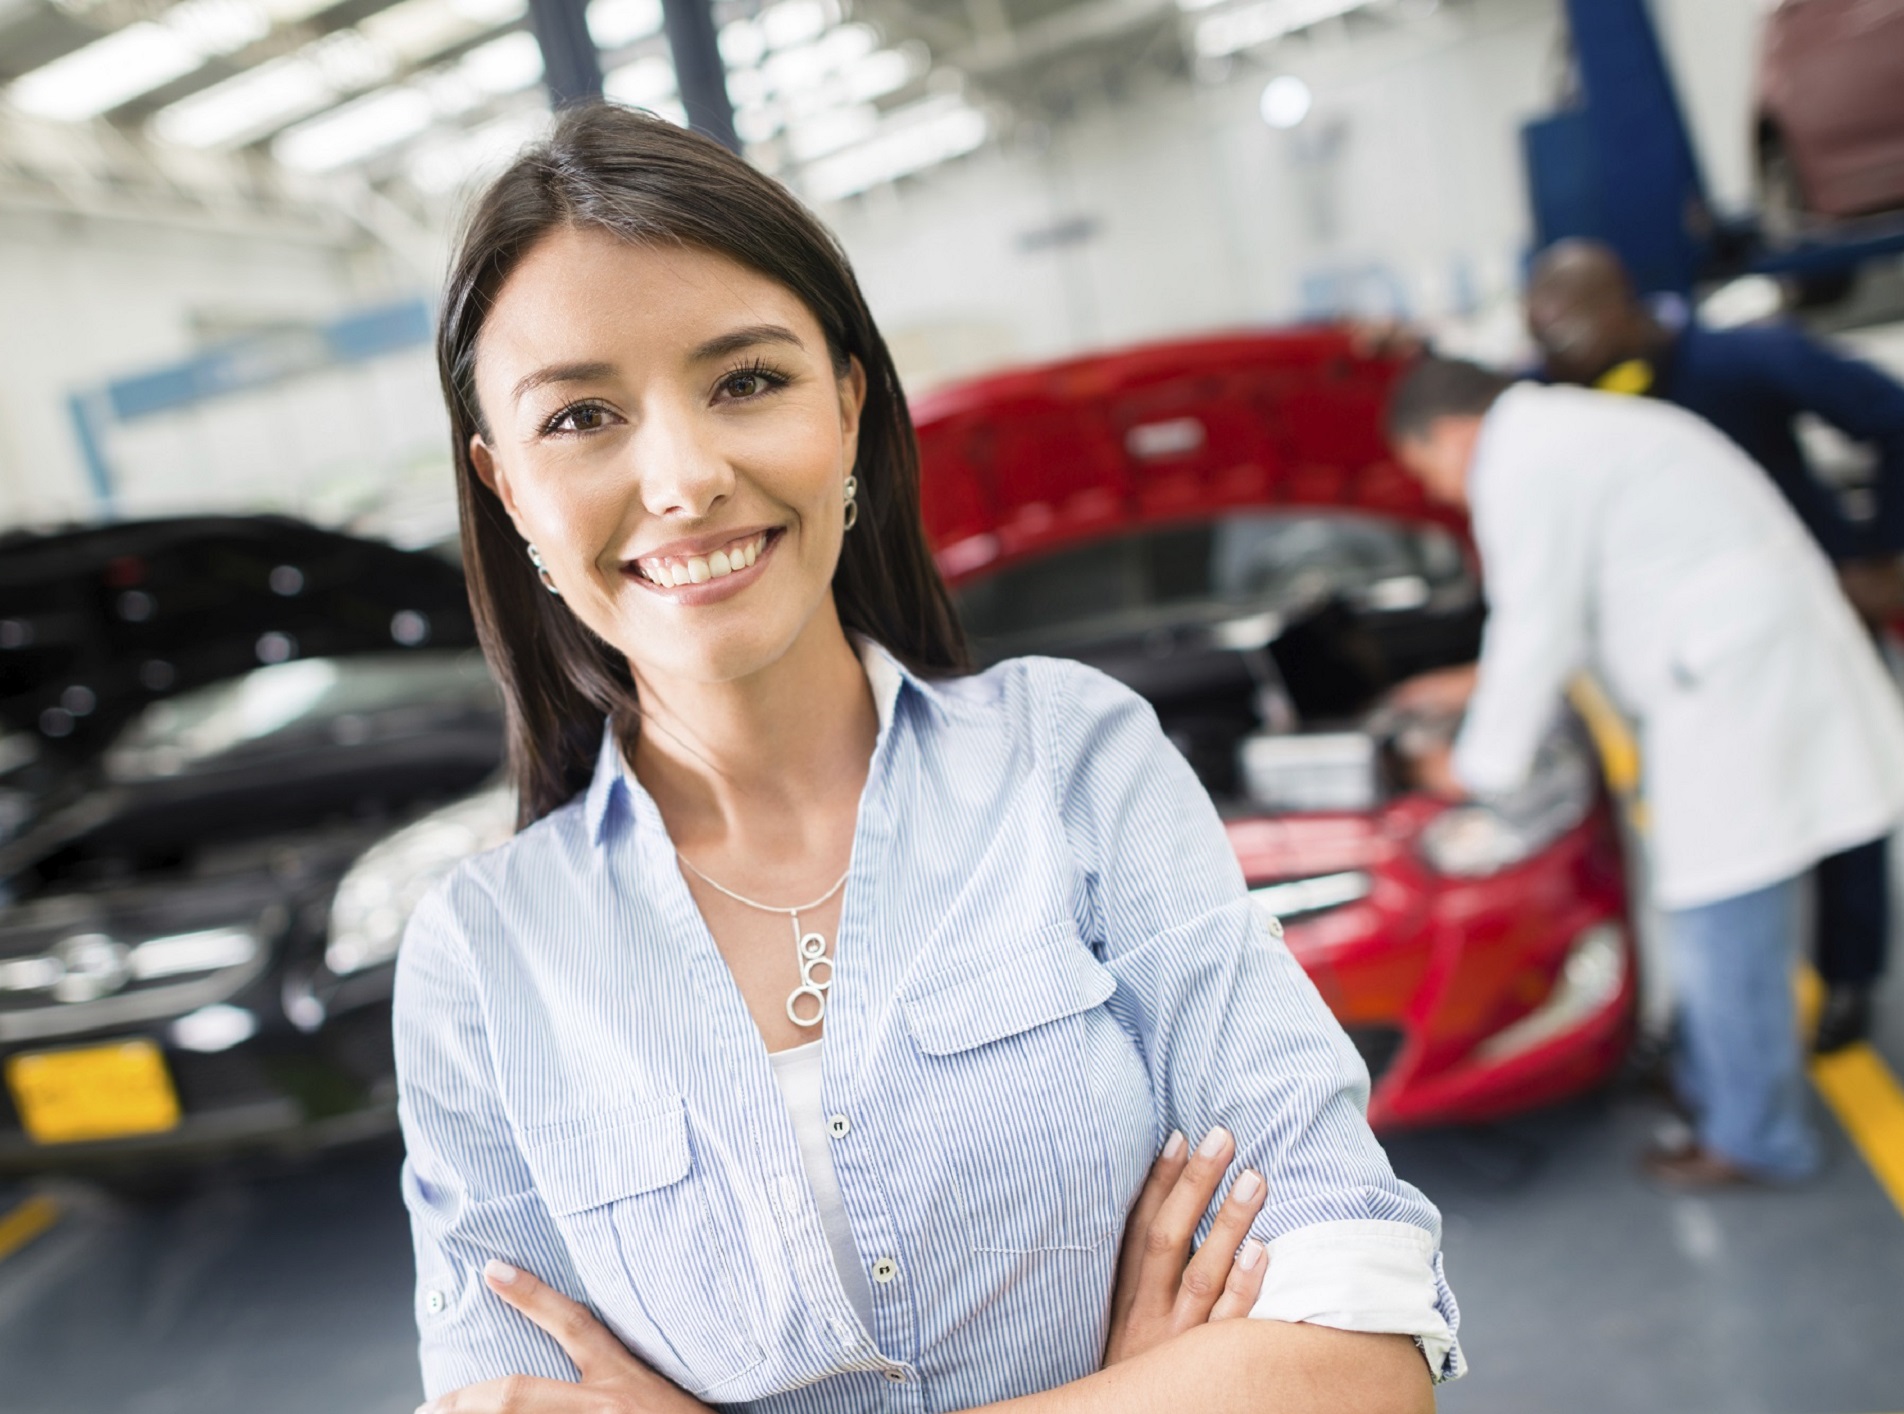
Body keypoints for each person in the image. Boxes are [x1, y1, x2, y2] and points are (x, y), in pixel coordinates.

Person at [395, 104, 1459, 1414]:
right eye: (583, 416)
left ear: (846, 405)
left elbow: (1360, 1353)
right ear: (506, 491)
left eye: (745, 380)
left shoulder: (1071, 759)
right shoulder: (481, 955)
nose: (682, 475)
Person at [1385, 358, 1904, 1191]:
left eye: (1426, 473)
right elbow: (1573, 609)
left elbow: (1537, 624)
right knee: (1729, 909)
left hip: (1727, 688)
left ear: (1449, 434)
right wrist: (1470, 687)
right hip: (1740, 667)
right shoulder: (1571, 430)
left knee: (1722, 914)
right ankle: (1724, 1090)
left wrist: (1474, 768)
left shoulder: (1520, 460)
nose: (1443, 494)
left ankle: (1755, 1138)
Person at [1525, 238, 1904, 1053]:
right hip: (1688, 670)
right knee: (1708, 837)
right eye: (1539, 338)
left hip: (1811, 631)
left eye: (1565, 334)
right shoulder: (1561, 391)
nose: (1550, 358)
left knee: (1842, 809)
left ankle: (1848, 979)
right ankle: (1706, 1007)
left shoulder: (1743, 363)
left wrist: (1880, 558)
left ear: (1623, 306)